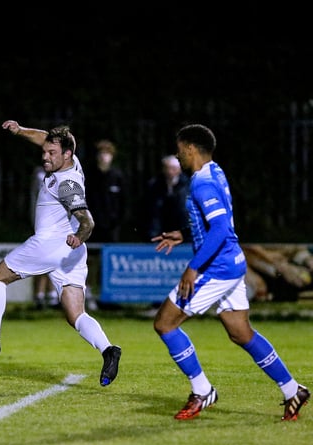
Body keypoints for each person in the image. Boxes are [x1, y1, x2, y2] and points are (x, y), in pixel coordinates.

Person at [152, 124, 308, 421]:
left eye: (179, 148)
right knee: (241, 332)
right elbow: (216, 220)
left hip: (218, 267)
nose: (177, 154)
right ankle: (292, 390)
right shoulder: (215, 172)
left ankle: (202, 390)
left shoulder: (201, 183)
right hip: (232, 263)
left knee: (165, 323)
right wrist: (184, 234)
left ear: (190, 149)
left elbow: (221, 229)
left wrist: (193, 268)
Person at [0, 120, 122, 388]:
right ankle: (109, 350)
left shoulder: (66, 183)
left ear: (66, 154)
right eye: (45, 152)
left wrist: (79, 235)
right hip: (71, 254)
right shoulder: (72, 160)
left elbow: (88, 221)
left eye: (51, 153)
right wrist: (21, 131)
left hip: (50, 245)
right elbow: (46, 138)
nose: (45, 156)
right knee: (75, 315)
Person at [85, 139, 128, 243]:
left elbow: (124, 201)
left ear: (112, 156)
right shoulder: (89, 176)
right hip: (92, 224)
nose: (104, 156)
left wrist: (118, 221)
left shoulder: (118, 176)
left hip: (112, 227)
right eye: (101, 153)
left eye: (107, 153)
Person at [30, 166, 59, 310]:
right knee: (42, 260)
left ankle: (52, 295)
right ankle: (39, 295)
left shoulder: (68, 173)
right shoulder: (40, 174)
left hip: (59, 225)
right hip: (42, 225)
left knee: (56, 260)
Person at [144, 154, 190, 241]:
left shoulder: (188, 185)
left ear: (179, 170)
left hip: (181, 228)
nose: (170, 171)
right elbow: (152, 211)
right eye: (167, 168)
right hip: (161, 228)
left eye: (173, 168)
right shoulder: (154, 185)